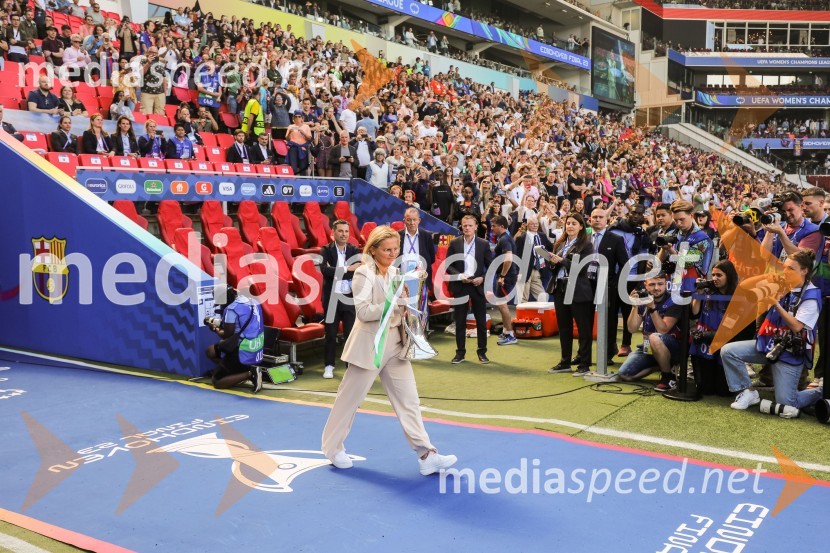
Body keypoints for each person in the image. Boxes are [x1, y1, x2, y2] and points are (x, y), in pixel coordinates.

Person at [321, 225, 457, 476]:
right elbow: (363, 312)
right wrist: (394, 303)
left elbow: (399, 307)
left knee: (409, 401)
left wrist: (407, 300)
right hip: (370, 346)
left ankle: (426, 454)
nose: (393, 253)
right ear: (373, 250)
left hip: (396, 344)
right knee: (349, 402)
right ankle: (332, 448)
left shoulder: (396, 272)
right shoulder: (363, 273)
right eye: (387, 250)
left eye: (395, 249)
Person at [721, 249, 824, 417]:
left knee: (787, 403)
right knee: (729, 351)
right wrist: (766, 278)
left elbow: (797, 326)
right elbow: (744, 286)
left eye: (791, 268)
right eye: (785, 267)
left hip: (790, 352)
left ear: (804, 271)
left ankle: (820, 391)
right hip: (768, 345)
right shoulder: (783, 284)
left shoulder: (812, 294)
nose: (785, 272)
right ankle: (747, 392)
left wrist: (775, 304)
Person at [615, 273, 683, 391]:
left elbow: (663, 330)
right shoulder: (644, 299)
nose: (656, 288)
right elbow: (632, 328)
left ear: (666, 284)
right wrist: (634, 306)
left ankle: (668, 377)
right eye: (652, 284)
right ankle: (660, 365)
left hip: (674, 348)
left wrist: (652, 308)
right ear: (645, 285)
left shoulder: (674, 301)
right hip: (649, 349)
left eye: (660, 284)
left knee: (654, 337)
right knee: (624, 374)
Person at [690, 260, 748, 396]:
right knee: (706, 390)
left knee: (724, 392)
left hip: (724, 344)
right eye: (713, 275)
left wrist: (707, 335)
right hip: (704, 345)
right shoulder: (708, 291)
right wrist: (698, 292)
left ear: (729, 276)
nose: (715, 278)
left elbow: (730, 329)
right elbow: (694, 312)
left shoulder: (738, 296)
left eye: (719, 275)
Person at [547, 212, 595, 376]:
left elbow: (581, 267)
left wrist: (561, 261)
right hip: (559, 288)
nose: (570, 226)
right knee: (564, 327)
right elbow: (552, 268)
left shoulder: (586, 245)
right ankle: (565, 361)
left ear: (581, 226)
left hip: (578, 289)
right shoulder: (559, 244)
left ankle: (584, 364)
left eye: (574, 223)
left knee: (583, 328)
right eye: (568, 223)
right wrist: (551, 262)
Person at [446, 215, 493, 364]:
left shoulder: (483, 244)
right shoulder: (454, 243)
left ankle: (482, 352)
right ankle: (460, 353)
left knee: (481, 321)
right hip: (460, 285)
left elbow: (492, 266)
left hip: (477, 285)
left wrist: (483, 278)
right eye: (464, 225)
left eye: (470, 225)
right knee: (460, 321)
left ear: (476, 227)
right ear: (461, 226)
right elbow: (448, 265)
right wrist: (459, 276)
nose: (467, 228)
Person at [319, 220, 362, 380]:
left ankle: (349, 366)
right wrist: (346, 269)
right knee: (330, 334)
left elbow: (356, 271)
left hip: (349, 299)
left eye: (346, 231)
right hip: (332, 299)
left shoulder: (353, 249)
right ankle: (329, 365)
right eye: (340, 231)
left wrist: (337, 271)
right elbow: (325, 271)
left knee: (350, 334)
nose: (344, 234)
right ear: (333, 233)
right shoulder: (325, 250)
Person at [205, 285, 265, 394]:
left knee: (217, 381)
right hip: (257, 346)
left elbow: (227, 335)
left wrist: (215, 329)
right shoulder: (252, 302)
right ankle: (234, 372)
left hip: (242, 349)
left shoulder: (231, 309)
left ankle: (251, 373)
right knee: (210, 351)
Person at [589, 207, 628, 366]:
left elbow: (624, 265)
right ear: (589, 219)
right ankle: (583, 353)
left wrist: (613, 282)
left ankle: (608, 353)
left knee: (609, 320)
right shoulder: (583, 237)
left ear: (607, 220)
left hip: (607, 286)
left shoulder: (616, 239)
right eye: (594, 217)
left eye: (600, 217)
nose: (597, 219)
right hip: (586, 284)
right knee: (586, 319)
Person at [658, 200, 713, 294]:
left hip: (692, 287)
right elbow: (658, 261)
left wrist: (670, 249)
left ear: (691, 215)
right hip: (671, 285)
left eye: (682, 219)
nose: (678, 223)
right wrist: (664, 248)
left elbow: (686, 263)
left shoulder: (702, 239)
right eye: (675, 220)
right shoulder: (673, 233)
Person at [489, 215, 518, 346]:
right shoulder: (505, 237)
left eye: (494, 226)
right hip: (509, 275)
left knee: (502, 305)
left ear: (502, 226)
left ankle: (510, 335)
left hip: (507, 276)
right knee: (502, 305)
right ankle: (507, 331)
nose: (492, 228)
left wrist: (502, 275)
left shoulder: (505, 239)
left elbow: (508, 259)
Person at [515, 216, 552, 303]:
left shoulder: (542, 236)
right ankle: (523, 316)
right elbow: (517, 256)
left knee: (542, 296)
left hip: (538, 270)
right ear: (527, 225)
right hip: (525, 270)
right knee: (523, 298)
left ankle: (542, 315)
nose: (535, 226)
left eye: (536, 224)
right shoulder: (521, 238)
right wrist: (517, 272)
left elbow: (551, 248)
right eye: (532, 224)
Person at [398, 207, 435, 283]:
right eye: (409, 220)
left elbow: (432, 258)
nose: (412, 223)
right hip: (401, 279)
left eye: (414, 219)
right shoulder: (397, 236)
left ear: (419, 220)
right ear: (404, 221)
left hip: (420, 279)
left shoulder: (427, 236)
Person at [140, 46, 168, 115]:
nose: (153, 54)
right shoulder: (143, 61)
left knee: (160, 115)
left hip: (160, 93)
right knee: (146, 114)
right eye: (151, 52)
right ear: (148, 53)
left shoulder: (161, 63)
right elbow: (141, 73)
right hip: (147, 92)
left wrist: (165, 93)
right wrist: (148, 63)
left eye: (155, 53)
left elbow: (164, 78)